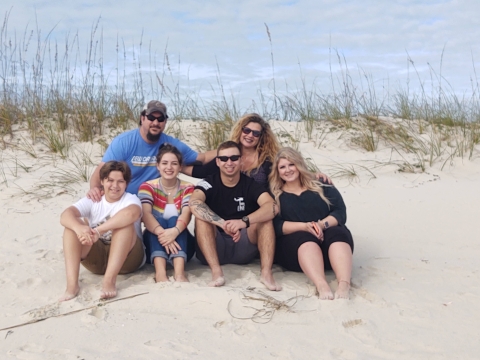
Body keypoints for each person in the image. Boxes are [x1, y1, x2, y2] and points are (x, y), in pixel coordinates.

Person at [189, 141, 281, 291]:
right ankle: (216, 272)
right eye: (224, 159)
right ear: (217, 162)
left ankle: (266, 273)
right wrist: (221, 223)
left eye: (234, 158)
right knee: (201, 219)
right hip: (214, 245)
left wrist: (243, 222)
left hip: (243, 246)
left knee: (266, 220)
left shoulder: (250, 185)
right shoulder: (208, 183)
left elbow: (272, 207)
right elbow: (194, 203)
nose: (229, 163)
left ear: (241, 160)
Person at [269, 147, 354, 300]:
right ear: (277, 171)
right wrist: (304, 226)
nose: (288, 170)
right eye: (282, 167)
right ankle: (321, 285)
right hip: (296, 251)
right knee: (305, 239)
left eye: (291, 164)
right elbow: (275, 225)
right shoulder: (275, 194)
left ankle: (344, 284)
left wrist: (321, 225)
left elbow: (340, 212)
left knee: (337, 233)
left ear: (299, 165)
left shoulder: (321, 184)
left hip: (328, 241)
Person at [87, 100, 216, 200]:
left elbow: (202, 158)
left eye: (160, 119)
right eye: (151, 118)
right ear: (142, 118)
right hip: (124, 199)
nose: (155, 122)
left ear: (165, 122)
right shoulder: (123, 142)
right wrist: (94, 189)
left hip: (154, 200)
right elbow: (100, 172)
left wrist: (232, 149)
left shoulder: (171, 144)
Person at [59, 161, 144, 301]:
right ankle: (72, 285)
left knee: (125, 225)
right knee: (71, 227)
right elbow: (65, 215)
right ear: (103, 181)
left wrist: (98, 231)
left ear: (126, 184)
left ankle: (109, 281)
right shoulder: (94, 199)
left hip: (128, 260)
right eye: (110, 180)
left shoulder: (130, 199)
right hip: (97, 260)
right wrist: (80, 228)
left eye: (120, 181)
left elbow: (131, 214)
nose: (115, 186)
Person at [186, 113, 331, 186]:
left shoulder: (267, 160)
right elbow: (202, 171)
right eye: (247, 130)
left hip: (260, 210)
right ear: (240, 130)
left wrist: (313, 175)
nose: (250, 135)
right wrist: (175, 166)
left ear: (261, 137)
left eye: (256, 133)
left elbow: (288, 171)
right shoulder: (229, 155)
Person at [138, 144, 194, 283]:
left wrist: (174, 232)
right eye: (164, 163)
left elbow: (187, 213)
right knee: (160, 221)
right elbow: (146, 215)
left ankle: (179, 273)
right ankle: (160, 273)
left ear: (180, 167)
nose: (169, 167)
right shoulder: (148, 186)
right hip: (153, 241)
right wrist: (164, 235)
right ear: (158, 165)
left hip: (182, 241)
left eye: (174, 163)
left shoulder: (188, 187)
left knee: (175, 219)